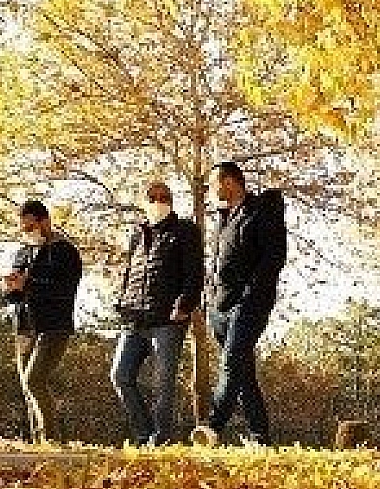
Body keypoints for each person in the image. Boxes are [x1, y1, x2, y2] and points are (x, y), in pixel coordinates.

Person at [192, 161, 286, 446]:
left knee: (232, 362)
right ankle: (260, 436)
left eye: (213, 183)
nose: (210, 190)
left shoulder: (261, 211)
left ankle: (211, 427)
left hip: (249, 304)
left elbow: (274, 258)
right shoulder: (224, 218)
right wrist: (209, 301)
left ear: (230, 182)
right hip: (219, 308)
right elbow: (218, 266)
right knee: (242, 370)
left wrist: (252, 296)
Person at [110, 180, 203, 446]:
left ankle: (160, 439)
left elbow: (195, 273)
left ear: (172, 201)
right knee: (120, 376)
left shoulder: (185, 230)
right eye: (153, 197)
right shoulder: (137, 234)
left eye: (164, 196)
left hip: (168, 320)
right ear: (144, 201)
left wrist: (184, 305)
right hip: (134, 319)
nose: (158, 201)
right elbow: (130, 272)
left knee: (163, 383)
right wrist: (121, 301)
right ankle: (144, 434)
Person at [1, 200, 82, 443]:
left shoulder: (65, 252)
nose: (28, 232)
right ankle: (37, 444)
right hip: (25, 327)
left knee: (34, 379)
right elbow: (15, 296)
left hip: (54, 326)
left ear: (45, 221)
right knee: (28, 388)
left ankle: (52, 441)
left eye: (31, 227)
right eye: (24, 229)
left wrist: (29, 284)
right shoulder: (23, 252)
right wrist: (11, 287)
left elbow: (65, 289)